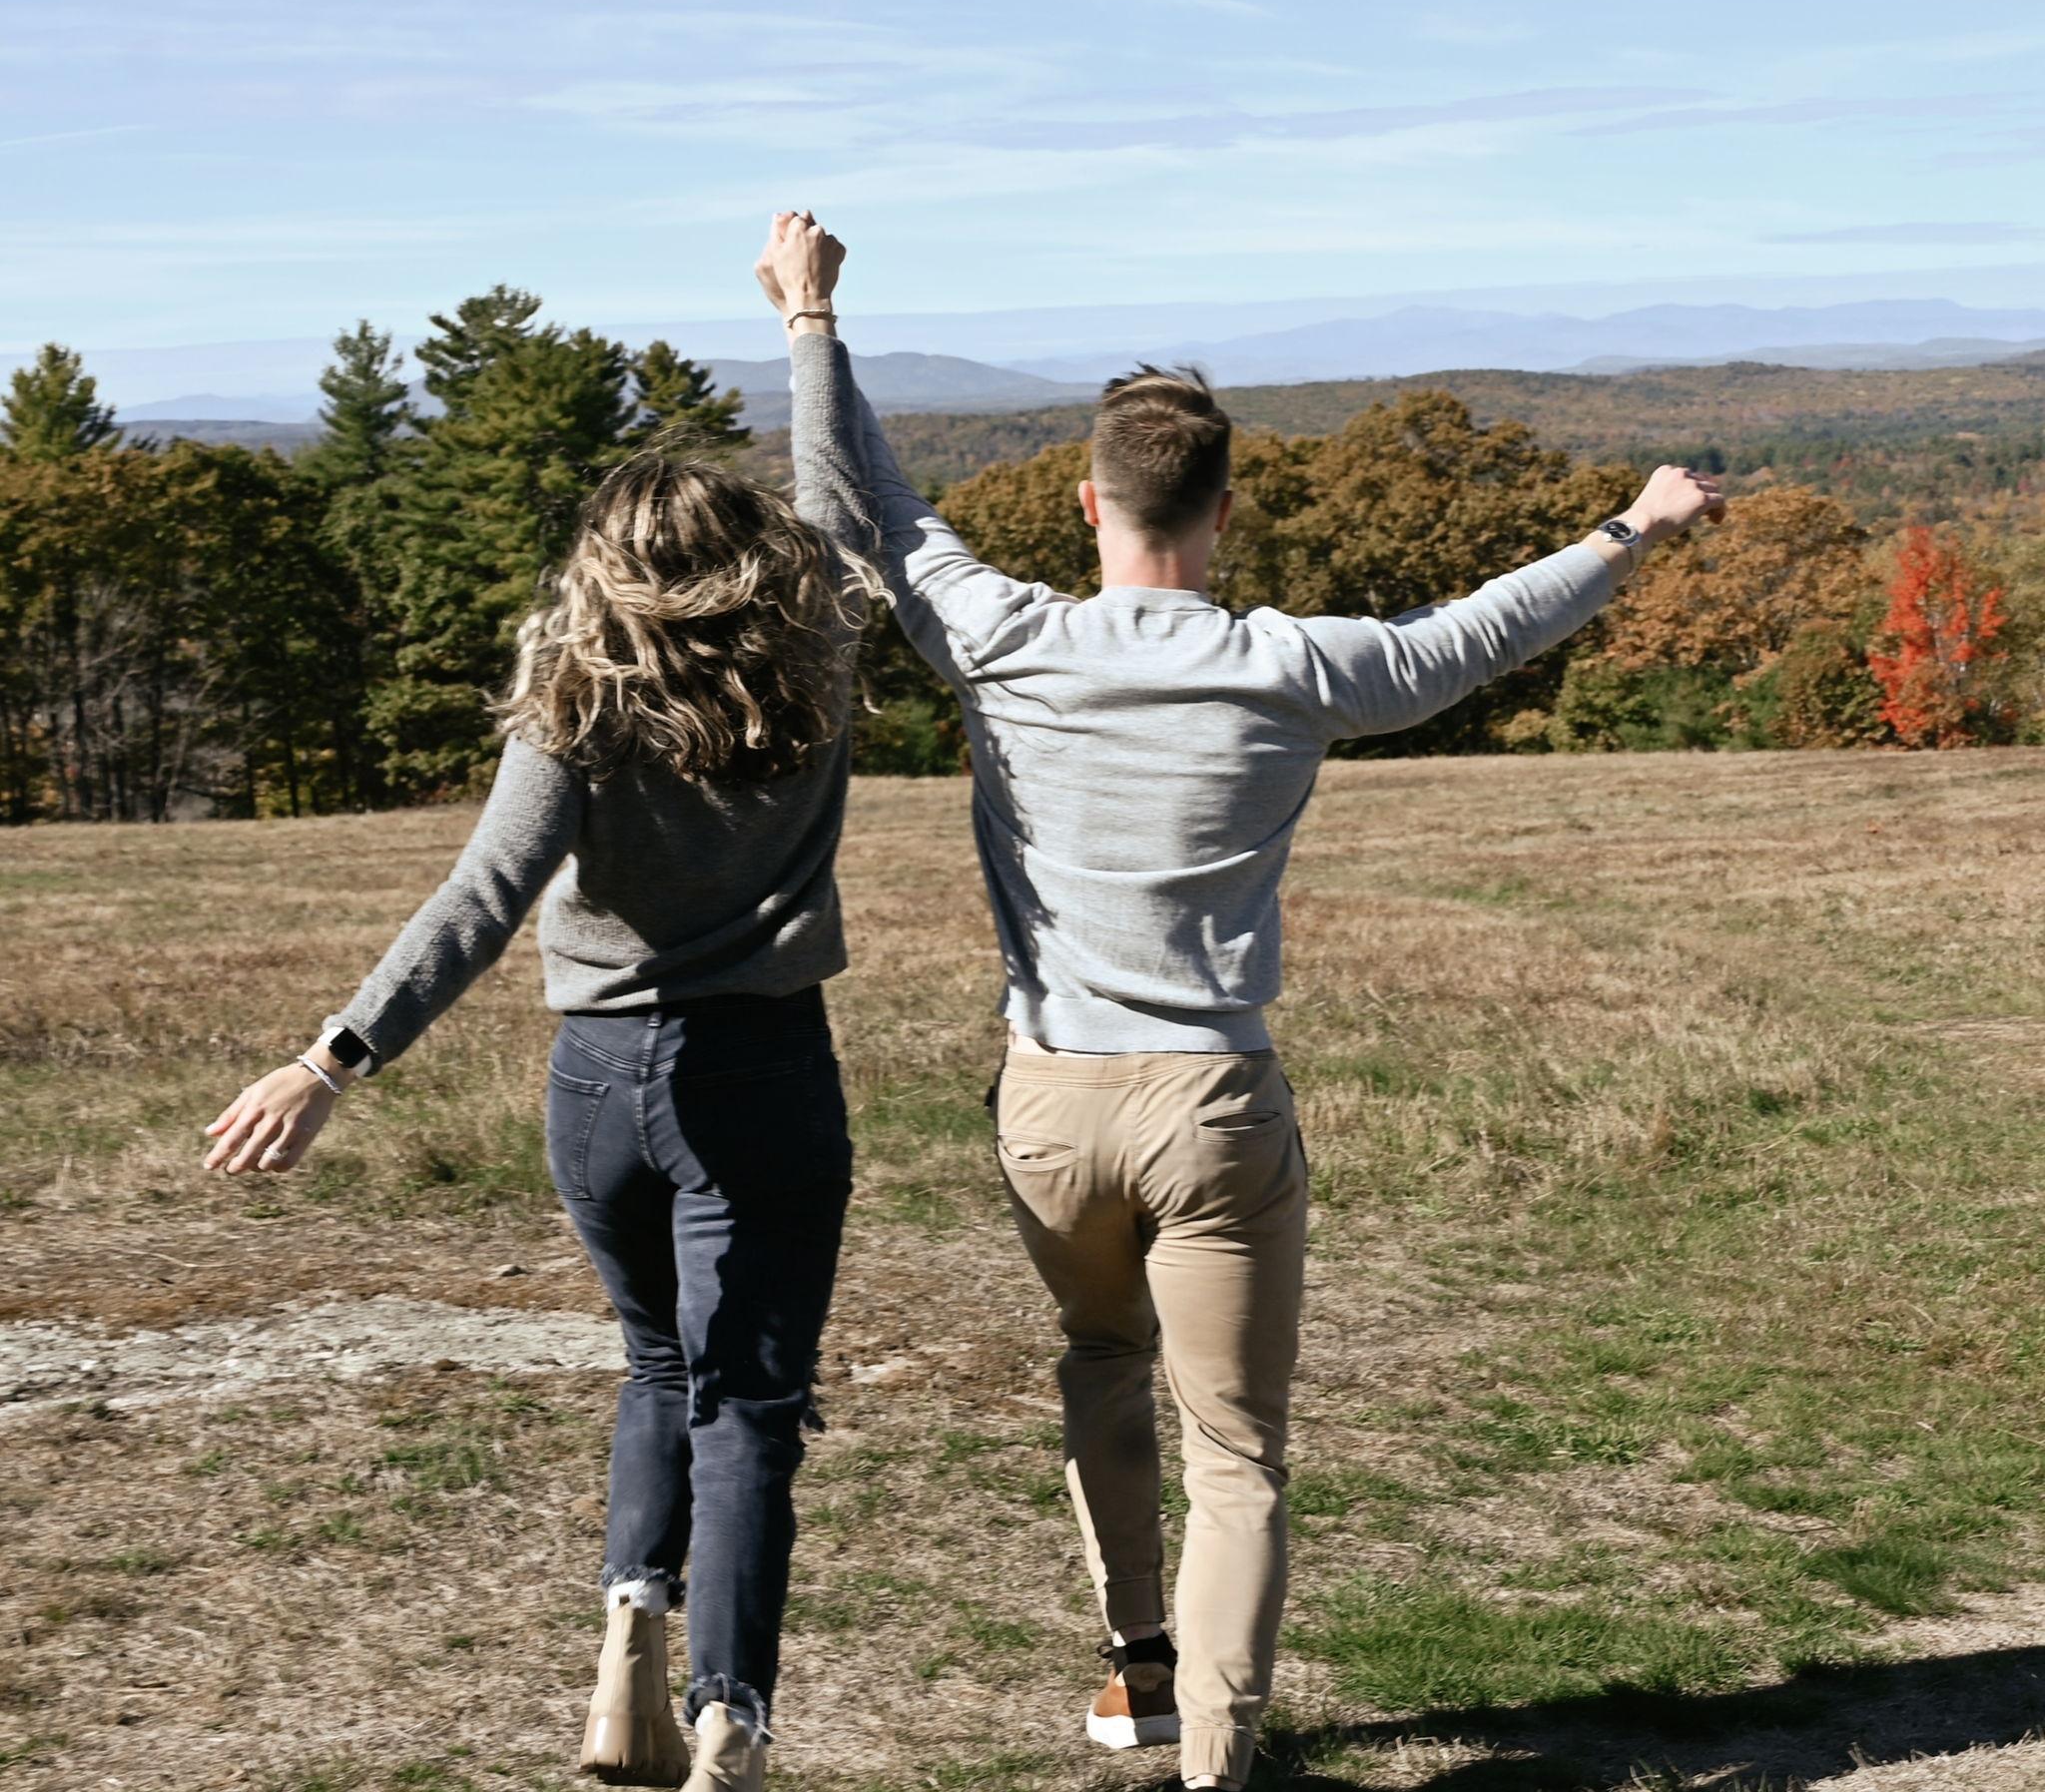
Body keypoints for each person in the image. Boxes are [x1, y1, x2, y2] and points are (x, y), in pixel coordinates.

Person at [780, 229, 1724, 1791]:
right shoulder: (1291, 666)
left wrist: (816, 321)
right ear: (1224, 512)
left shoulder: (1001, 639)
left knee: (1099, 1359)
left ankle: (1136, 1671)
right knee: (1238, 1451)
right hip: (1213, 1103)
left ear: (1088, 503)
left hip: (1051, 1095)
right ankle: (1218, 1761)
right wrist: (1632, 528)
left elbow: (875, 501)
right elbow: (1476, 636)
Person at [204, 224, 870, 1792]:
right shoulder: (822, 638)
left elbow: (479, 900)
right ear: (753, 555)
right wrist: (811, 318)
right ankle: (729, 1720)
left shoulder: (576, 700)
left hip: (602, 1088)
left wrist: (330, 1062)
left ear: (603, 570)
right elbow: (835, 494)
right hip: (764, 1075)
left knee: (661, 1369)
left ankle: (624, 1660)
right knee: (749, 1409)